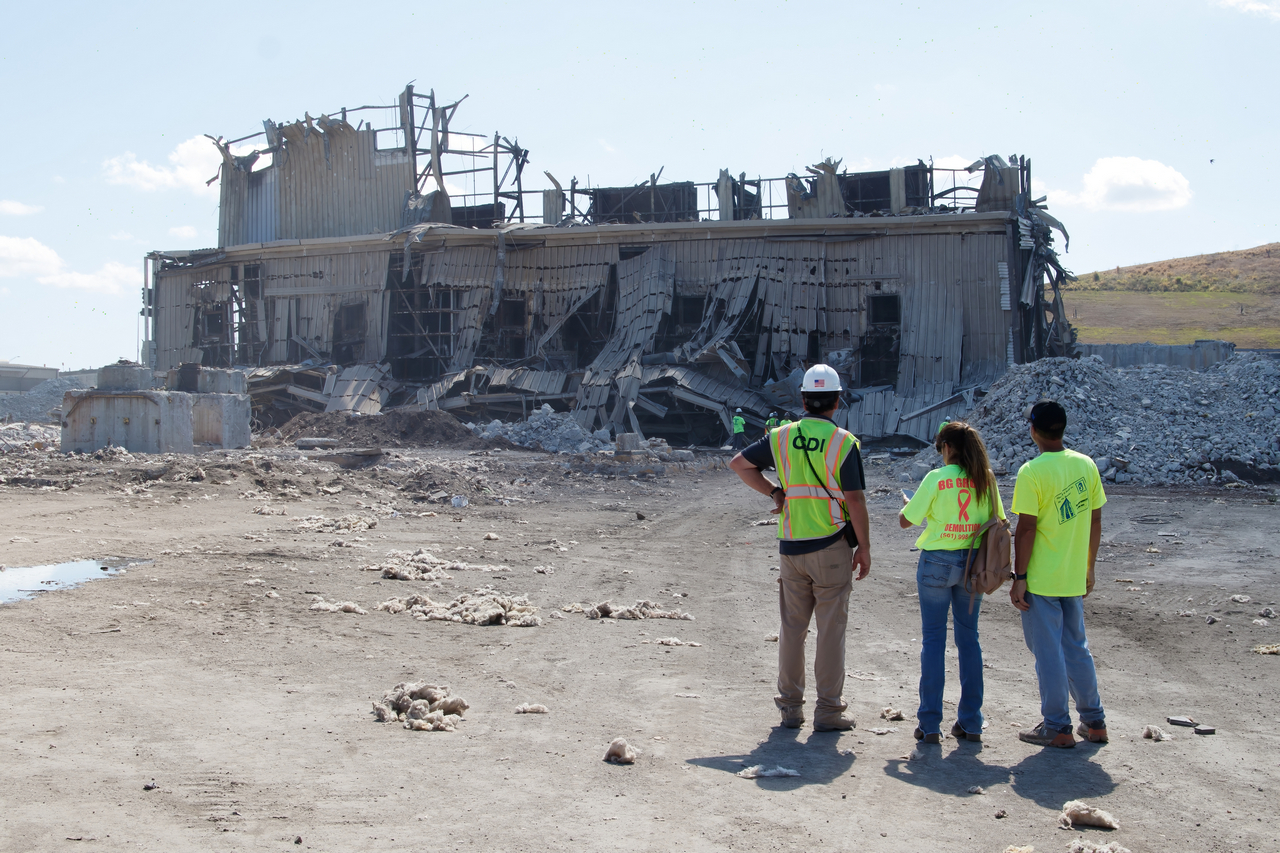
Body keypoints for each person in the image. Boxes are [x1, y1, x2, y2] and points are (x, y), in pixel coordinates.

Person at [729, 364, 871, 732]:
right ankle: (828, 711)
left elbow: (739, 464)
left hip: (792, 547)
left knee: (793, 628)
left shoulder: (780, 437)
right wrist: (865, 548)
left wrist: (775, 492)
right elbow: (854, 501)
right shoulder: (843, 442)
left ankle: (790, 709)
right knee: (831, 631)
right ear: (837, 402)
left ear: (803, 399)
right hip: (832, 546)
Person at [899, 421, 1005, 744]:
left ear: (946, 448)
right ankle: (971, 721)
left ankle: (930, 724)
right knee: (969, 640)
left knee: (933, 641)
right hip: (973, 565)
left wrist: (910, 506)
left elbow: (906, 521)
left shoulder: (935, 479)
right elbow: (999, 520)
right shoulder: (985, 479)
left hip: (936, 564)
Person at [1010, 400, 1108, 749]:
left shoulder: (1032, 471)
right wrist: (1089, 567)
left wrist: (1019, 576)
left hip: (1042, 577)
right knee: (1077, 646)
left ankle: (1057, 725)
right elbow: (1095, 519)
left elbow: (1026, 530)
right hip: (1072, 574)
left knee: (1048, 652)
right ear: (1062, 429)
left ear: (1033, 431)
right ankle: (1094, 721)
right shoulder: (1086, 465)